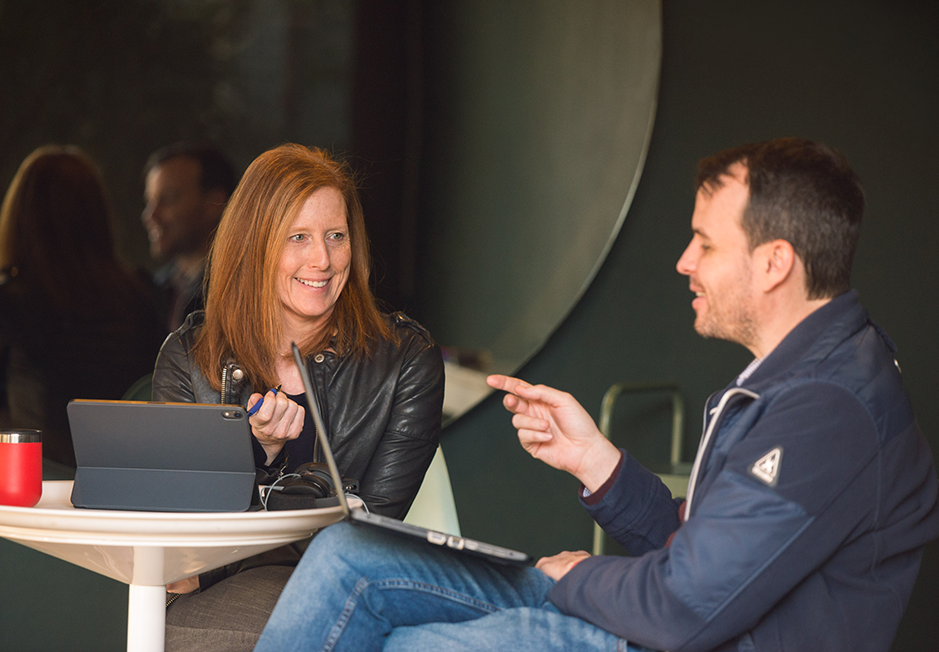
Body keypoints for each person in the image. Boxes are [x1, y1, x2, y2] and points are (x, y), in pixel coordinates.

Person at [255, 138, 939, 652]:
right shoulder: (792, 377)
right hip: (672, 613)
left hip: (692, 637)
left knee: (417, 649)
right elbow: (703, 546)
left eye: (704, 242)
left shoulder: (829, 410)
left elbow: (688, 604)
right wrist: (598, 465)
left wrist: (575, 579)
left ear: (774, 263)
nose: (684, 261)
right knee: (347, 554)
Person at [152, 143, 445, 651]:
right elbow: (177, 544)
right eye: (298, 238)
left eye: (336, 236)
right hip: (216, 595)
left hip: (340, 586)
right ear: (254, 245)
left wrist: (219, 563)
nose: (324, 260)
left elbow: (363, 544)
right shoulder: (188, 356)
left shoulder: (406, 362)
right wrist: (254, 452)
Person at [0, 145, 166, 467]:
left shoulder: (2, 302)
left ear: (21, 217)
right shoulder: (141, 296)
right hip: (127, 478)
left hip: (40, 481)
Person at [143, 142, 237, 331]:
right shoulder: (151, 292)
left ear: (214, 203)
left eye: (168, 199)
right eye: (150, 202)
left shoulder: (242, 291)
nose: (150, 216)